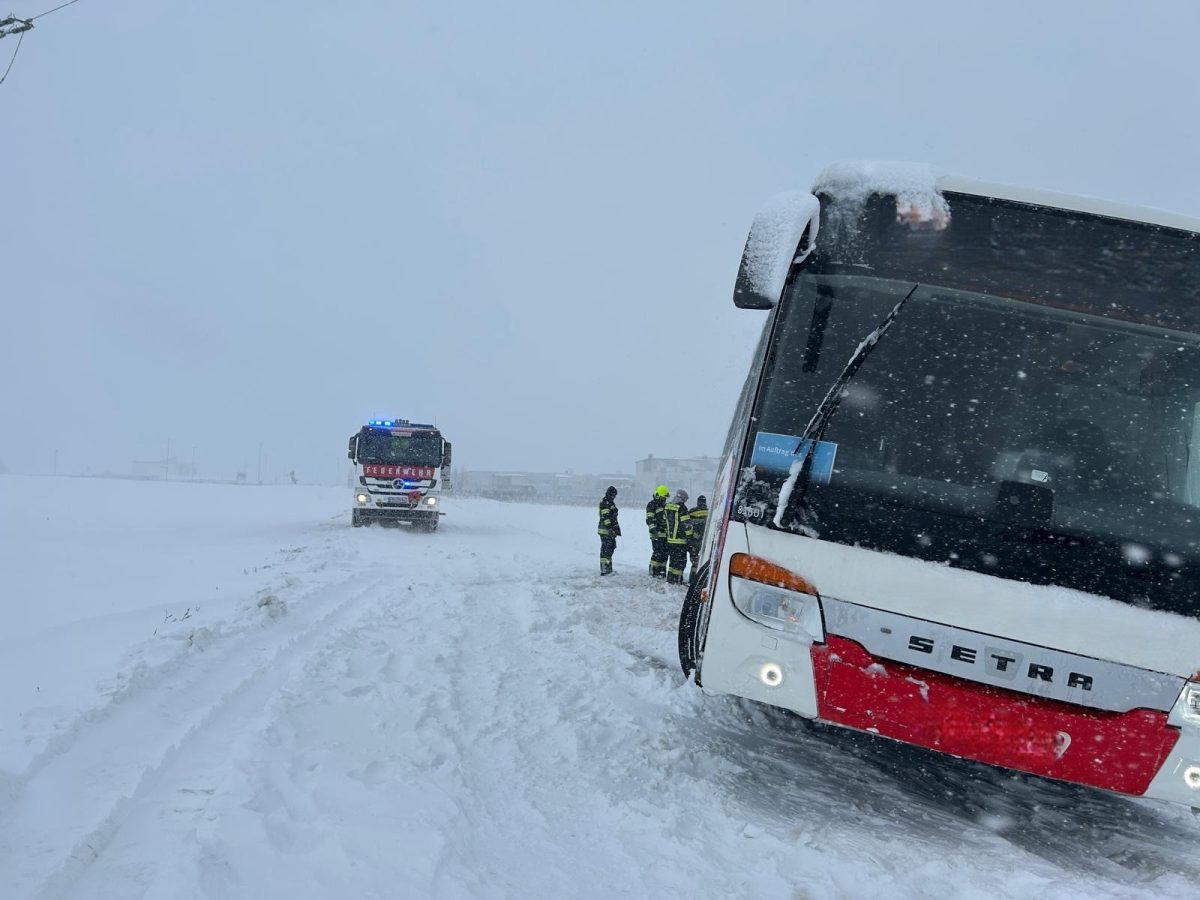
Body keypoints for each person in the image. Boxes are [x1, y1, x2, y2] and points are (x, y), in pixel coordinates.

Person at [663, 489, 690, 584]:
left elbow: (665, 521)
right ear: (682, 498)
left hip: (670, 540)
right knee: (680, 562)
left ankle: (670, 578)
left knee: (672, 561)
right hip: (680, 540)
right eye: (685, 499)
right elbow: (686, 524)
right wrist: (690, 536)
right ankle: (677, 580)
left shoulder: (667, 506)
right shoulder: (682, 508)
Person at [645, 485, 669, 578]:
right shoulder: (652, 504)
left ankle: (662, 571)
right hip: (656, 533)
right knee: (657, 552)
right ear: (658, 496)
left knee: (664, 553)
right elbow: (649, 519)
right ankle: (653, 570)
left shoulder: (665, 505)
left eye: (665, 498)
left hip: (665, 534)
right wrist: (653, 529)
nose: (664, 500)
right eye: (663, 498)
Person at [684, 494, 708, 584]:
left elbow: (686, 524)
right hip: (705, 541)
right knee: (702, 561)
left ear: (698, 502)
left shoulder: (692, 511)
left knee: (694, 561)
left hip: (694, 540)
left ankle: (692, 580)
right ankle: (700, 581)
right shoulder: (710, 512)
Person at [597, 486, 620, 575]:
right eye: (613, 495)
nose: (614, 497)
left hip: (609, 530)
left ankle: (608, 568)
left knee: (611, 547)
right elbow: (605, 517)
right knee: (606, 549)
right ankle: (604, 569)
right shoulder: (605, 503)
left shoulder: (610, 503)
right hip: (605, 530)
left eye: (615, 495)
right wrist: (610, 528)